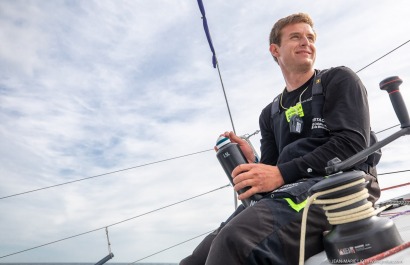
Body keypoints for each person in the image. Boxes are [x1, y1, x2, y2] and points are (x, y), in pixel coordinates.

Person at [180, 13, 380, 265]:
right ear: (275, 50)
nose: (306, 42)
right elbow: (273, 171)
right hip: (289, 190)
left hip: (341, 188)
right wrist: (253, 160)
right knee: (195, 260)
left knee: (235, 240)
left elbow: (352, 144)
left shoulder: (338, 79)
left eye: (310, 37)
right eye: (295, 37)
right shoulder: (270, 113)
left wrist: (281, 174)